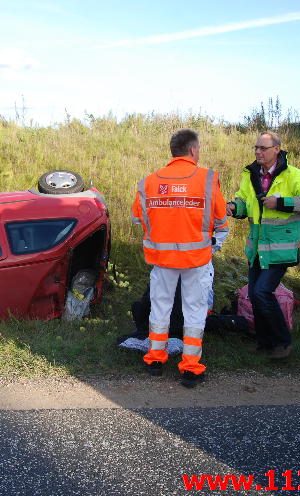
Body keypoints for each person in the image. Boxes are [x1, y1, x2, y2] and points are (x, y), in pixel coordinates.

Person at [131, 129, 229, 388]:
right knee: (194, 312)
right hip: (196, 260)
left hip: (162, 259)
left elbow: (137, 217)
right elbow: (221, 220)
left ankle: (155, 359)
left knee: (160, 308)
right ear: (193, 150)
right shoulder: (207, 179)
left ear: (172, 151)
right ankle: (190, 368)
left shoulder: (149, 182)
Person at [226, 131, 300, 359]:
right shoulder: (250, 175)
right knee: (255, 295)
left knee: (261, 292)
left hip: (280, 250)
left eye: (263, 148)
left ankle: (282, 342)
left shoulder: (294, 176)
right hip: (257, 249)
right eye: (256, 148)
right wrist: (233, 207)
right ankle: (264, 343)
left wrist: (281, 202)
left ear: (276, 149)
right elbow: (244, 203)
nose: (258, 152)